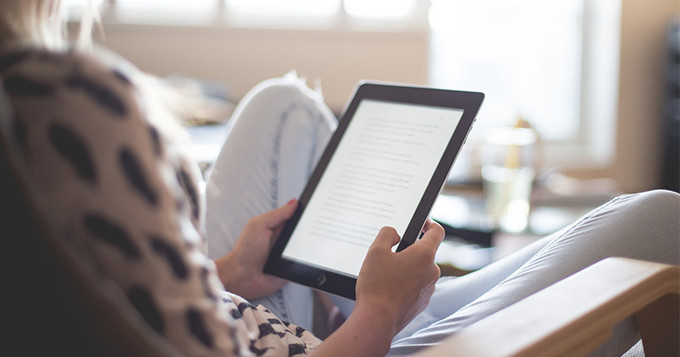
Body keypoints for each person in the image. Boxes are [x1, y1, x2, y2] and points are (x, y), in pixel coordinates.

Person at [0, 1, 678, 356]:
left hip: (255, 318)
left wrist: (231, 271)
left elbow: (138, 306)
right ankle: (380, 305)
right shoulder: (61, 103)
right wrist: (379, 318)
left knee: (282, 105)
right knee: (660, 219)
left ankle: (367, 298)